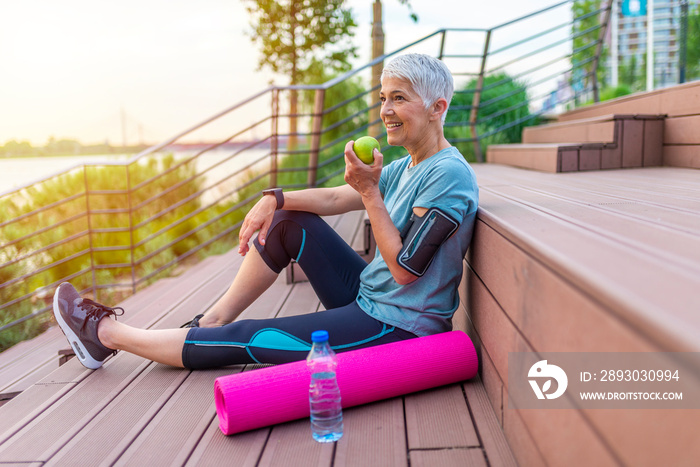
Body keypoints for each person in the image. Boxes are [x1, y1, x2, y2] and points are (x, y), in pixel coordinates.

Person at [53, 53, 479, 370]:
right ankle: (211, 321)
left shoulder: (448, 176)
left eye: (399, 99)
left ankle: (104, 335)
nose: (385, 110)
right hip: (373, 298)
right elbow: (333, 199)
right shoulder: (409, 164)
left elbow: (405, 270)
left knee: (251, 337)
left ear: (437, 107)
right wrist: (275, 198)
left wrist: (369, 192)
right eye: (384, 97)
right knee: (288, 221)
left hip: (398, 327)